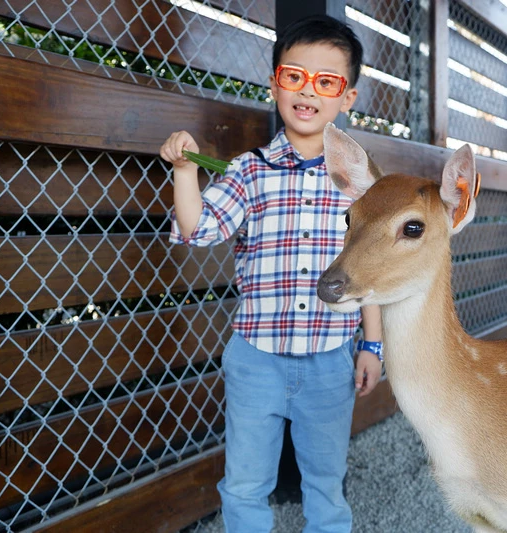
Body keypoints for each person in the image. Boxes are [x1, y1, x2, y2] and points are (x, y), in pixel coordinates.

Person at [160, 15, 383, 533]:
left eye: (326, 81)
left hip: (330, 359)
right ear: (275, 84)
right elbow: (199, 230)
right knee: (244, 485)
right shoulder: (249, 169)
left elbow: (365, 271)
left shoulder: (360, 181)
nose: (308, 92)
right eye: (294, 76)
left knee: (326, 485)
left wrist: (372, 345)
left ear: (347, 96)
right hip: (256, 358)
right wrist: (185, 172)